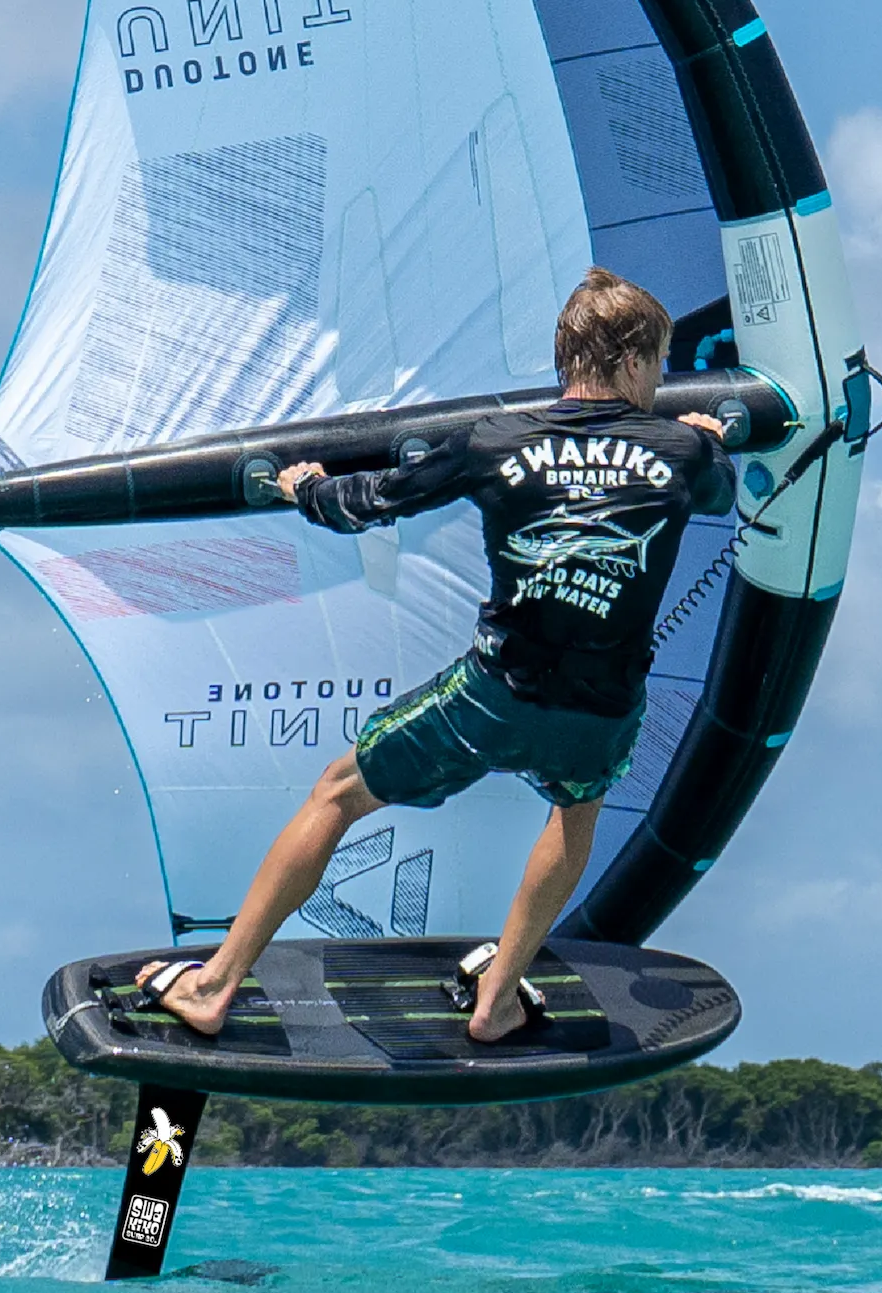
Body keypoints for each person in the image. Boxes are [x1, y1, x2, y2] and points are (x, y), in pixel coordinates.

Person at [137, 267, 736, 1043]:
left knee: (336, 794)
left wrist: (306, 487)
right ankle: (497, 1002)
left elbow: (372, 502)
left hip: (495, 696)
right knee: (574, 812)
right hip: (602, 711)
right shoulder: (680, 449)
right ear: (628, 362)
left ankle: (214, 985)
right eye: (657, 364)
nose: (659, 382)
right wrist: (709, 441)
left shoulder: (493, 441)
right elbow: (719, 490)